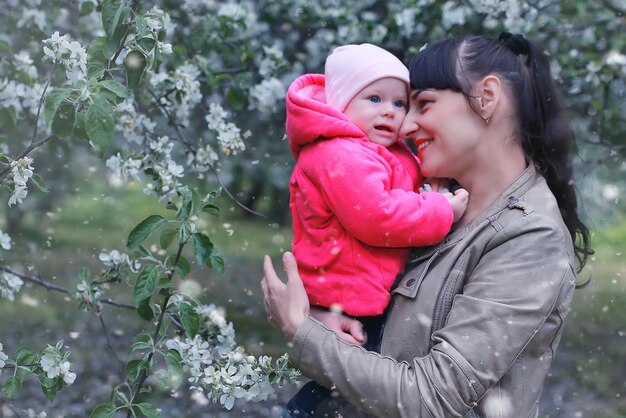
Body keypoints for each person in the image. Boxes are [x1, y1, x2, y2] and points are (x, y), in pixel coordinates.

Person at [262, 32, 592, 418]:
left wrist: (303, 333)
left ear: (486, 98)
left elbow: (431, 398)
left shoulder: (532, 237)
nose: (404, 125)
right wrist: (328, 314)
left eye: (422, 103)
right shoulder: (430, 197)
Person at [283, 43, 469, 416]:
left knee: (351, 381)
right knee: (345, 381)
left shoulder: (378, 149)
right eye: (373, 98)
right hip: (345, 293)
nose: (389, 110)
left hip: (364, 290)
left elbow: (404, 183)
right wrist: (438, 209)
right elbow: (376, 216)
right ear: (340, 103)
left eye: (399, 103)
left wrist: (430, 188)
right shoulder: (338, 152)